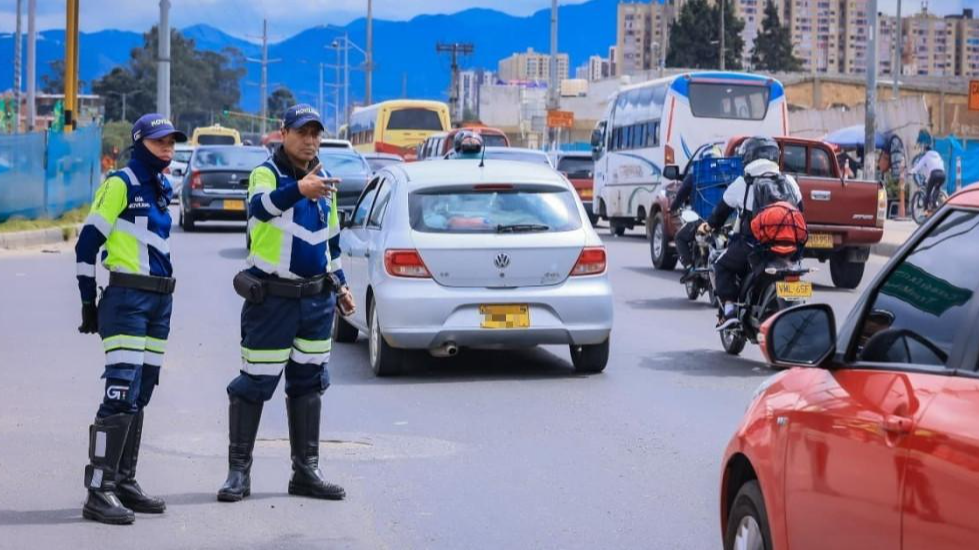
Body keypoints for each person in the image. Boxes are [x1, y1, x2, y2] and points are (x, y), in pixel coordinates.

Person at [218, 104, 357, 503]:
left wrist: (341, 285)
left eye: (315, 133)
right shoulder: (266, 174)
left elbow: (331, 243)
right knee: (254, 383)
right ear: (284, 134)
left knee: (309, 384)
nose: (310, 140)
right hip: (272, 301)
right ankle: (238, 474)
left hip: (316, 302)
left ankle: (306, 472)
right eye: (302, 132)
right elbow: (260, 208)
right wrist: (300, 189)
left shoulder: (325, 182)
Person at [75, 114, 186, 525]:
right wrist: (88, 301)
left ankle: (123, 481)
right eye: (159, 141)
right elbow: (86, 246)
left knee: (142, 389)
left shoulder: (162, 186)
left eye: (171, 141)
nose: (167, 147)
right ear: (140, 143)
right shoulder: (119, 183)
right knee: (120, 391)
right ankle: (98, 490)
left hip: (160, 301)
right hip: (127, 300)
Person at [700, 137, 803, 331]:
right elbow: (800, 211)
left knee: (721, 265)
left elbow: (720, 214)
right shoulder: (790, 182)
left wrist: (708, 226)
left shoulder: (743, 183)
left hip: (753, 247)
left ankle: (730, 310)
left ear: (748, 157)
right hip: (789, 248)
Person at [911, 144, 947, 212]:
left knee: (928, 193)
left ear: (925, 151)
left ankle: (925, 210)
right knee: (937, 188)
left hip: (934, 175)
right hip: (943, 175)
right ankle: (934, 204)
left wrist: (912, 171)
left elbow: (918, 166)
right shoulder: (938, 156)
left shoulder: (926, 156)